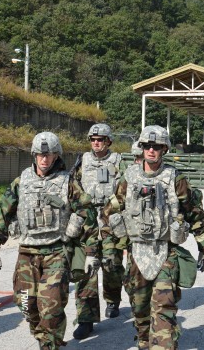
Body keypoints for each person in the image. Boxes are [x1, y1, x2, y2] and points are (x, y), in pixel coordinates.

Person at [101, 125, 204, 350]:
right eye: (147, 146)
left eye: (157, 146)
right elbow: (109, 211)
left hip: (166, 252)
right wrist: (109, 249)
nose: (151, 150)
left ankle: (164, 341)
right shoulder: (129, 178)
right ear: (141, 148)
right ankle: (144, 340)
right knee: (140, 310)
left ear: (165, 149)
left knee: (164, 309)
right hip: (136, 253)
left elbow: (194, 212)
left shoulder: (175, 179)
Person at [0, 132, 99, 350]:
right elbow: (2, 212)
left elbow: (87, 214)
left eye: (49, 154)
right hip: (27, 254)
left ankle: (50, 344)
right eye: (40, 154)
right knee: (27, 305)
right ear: (34, 155)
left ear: (56, 156)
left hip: (56, 252)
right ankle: (44, 338)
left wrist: (91, 252)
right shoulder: (21, 181)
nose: (44, 159)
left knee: (51, 306)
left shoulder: (68, 182)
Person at [71, 124, 125, 340]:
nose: (96, 143)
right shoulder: (82, 161)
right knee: (86, 269)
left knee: (112, 264)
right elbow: (72, 188)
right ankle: (86, 318)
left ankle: (112, 300)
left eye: (100, 139)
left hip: (111, 220)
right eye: (93, 139)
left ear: (108, 141)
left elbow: (126, 189)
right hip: (88, 222)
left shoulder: (119, 161)